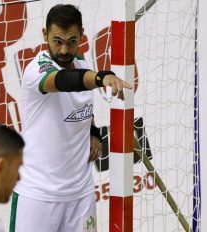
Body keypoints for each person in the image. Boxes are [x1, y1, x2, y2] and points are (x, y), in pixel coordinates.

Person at [10, 4, 132, 232]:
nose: (65, 50)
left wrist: (94, 132)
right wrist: (100, 77)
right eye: (57, 41)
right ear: (45, 34)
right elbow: (62, 81)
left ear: (81, 36)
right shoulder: (36, 69)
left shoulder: (82, 66)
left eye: (72, 41)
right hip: (38, 196)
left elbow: (83, 108)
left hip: (81, 195)